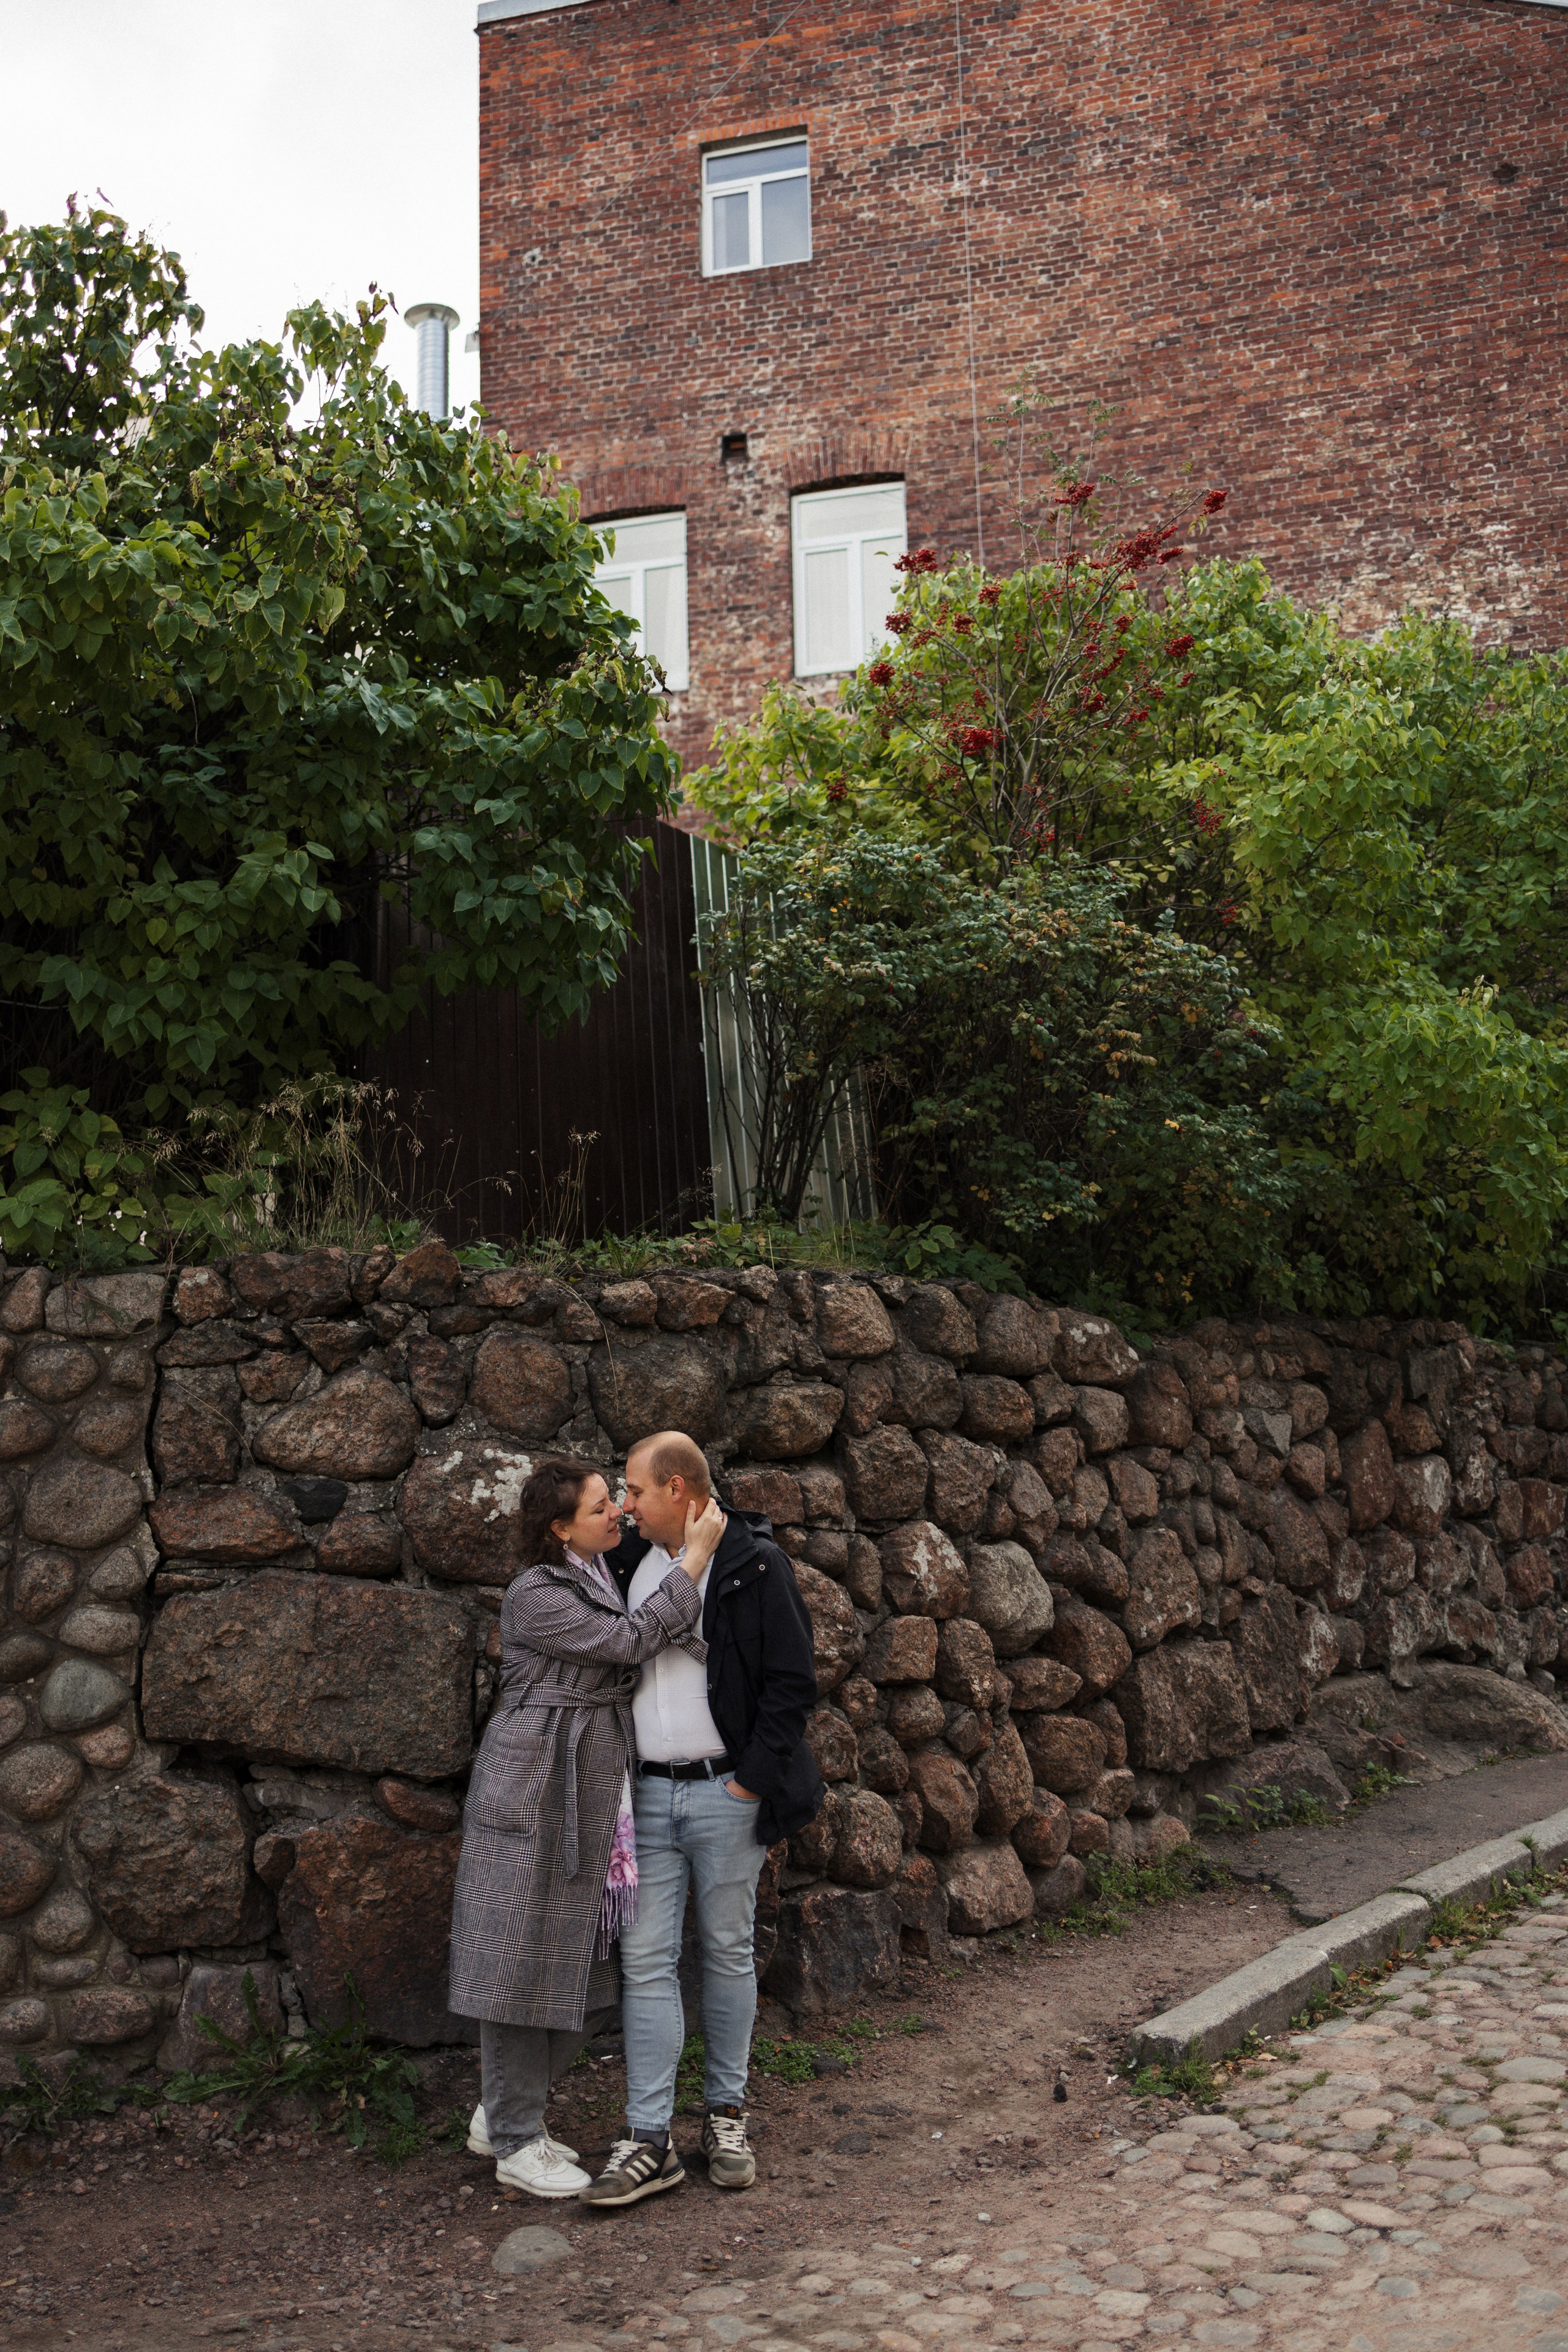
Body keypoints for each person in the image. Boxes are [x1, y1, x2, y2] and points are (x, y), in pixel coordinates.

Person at [447, 1453, 729, 2199]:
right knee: (519, 1960)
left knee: (587, 1966)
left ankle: (501, 2113)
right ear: (559, 1529)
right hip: (536, 1784)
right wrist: (694, 1561)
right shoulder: (535, 1591)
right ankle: (515, 2141)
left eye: (617, 1498)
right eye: (602, 1506)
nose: (619, 1513)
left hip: (590, 1784)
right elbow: (629, 1643)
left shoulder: (603, 1568)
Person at [577, 1430, 824, 2209]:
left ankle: (726, 2116)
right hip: (646, 1796)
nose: (625, 1506)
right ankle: (648, 2138)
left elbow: (793, 1681)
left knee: (726, 1953)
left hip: (725, 1793)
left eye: (635, 1490)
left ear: (677, 1489)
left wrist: (750, 1785)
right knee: (645, 1961)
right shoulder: (622, 1563)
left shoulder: (755, 1562)